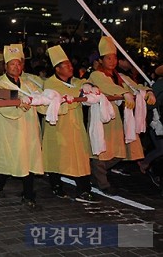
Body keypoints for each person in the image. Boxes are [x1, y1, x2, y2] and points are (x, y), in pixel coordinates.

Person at [87, 36, 156, 195]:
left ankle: (95, 173)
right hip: (101, 118)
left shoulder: (119, 76)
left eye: (114, 58)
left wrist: (147, 92)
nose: (112, 61)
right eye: (108, 58)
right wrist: (124, 93)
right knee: (100, 150)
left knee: (118, 152)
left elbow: (133, 86)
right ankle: (102, 183)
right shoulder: (96, 75)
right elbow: (107, 87)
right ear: (101, 60)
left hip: (118, 119)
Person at [42, 45, 97, 203]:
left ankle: (84, 189)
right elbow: (67, 95)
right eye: (66, 65)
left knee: (81, 159)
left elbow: (84, 86)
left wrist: (89, 86)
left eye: (70, 64)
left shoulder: (76, 81)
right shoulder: (50, 84)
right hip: (58, 127)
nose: (70, 67)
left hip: (76, 127)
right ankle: (56, 185)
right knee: (56, 158)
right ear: (57, 69)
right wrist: (81, 92)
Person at [0, 44, 43, 210]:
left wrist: (51, 99)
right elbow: (0, 104)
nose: (16, 67)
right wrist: (19, 104)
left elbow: (40, 98)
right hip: (11, 129)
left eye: (19, 63)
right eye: (12, 64)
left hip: (29, 129)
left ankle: (28, 195)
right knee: (12, 159)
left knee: (28, 159)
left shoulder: (28, 84)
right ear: (5, 66)